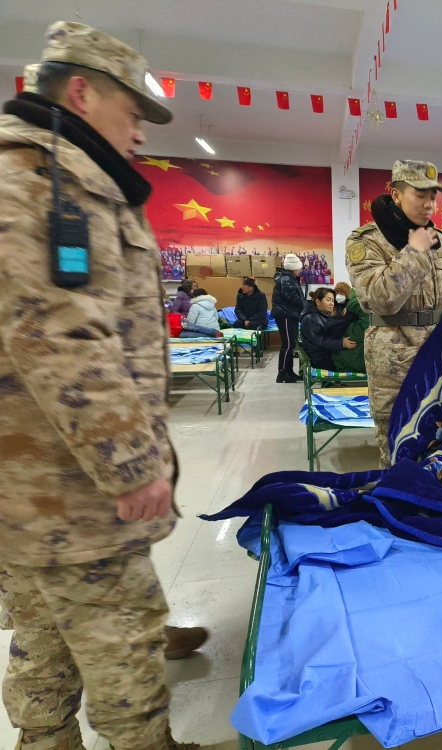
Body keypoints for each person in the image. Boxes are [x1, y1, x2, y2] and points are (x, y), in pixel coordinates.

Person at [0, 22, 204, 750]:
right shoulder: (44, 179)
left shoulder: (52, 172)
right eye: (132, 112)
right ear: (81, 92)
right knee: (124, 648)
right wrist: (133, 463)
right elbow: (57, 334)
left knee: (46, 633)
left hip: (37, 487)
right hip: (74, 490)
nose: (140, 133)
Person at [346, 160, 442, 467]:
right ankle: (395, 506)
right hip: (393, 361)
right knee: (396, 444)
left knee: (438, 438)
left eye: (434, 197)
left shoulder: (441, 242)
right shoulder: (366, 241)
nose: (429, 205)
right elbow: (380, 299)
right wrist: (413, 252)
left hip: (439, 354)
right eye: (420, 195)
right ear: (396, 194)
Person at [299, 285, 365, 373]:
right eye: (328, 300)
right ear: (318, 301)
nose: (331, 303)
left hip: (328, 353)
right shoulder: (310, 318)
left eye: (333, 300)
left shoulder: (325, 315)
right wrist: (342, 343)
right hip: (321, 359)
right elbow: (320, 341)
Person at [273, 254, 305, 383]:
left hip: (290, 314)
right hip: (285, 315)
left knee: (290, 344)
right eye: (298, 268)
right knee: (288, 345)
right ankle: (282, 373)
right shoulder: (286, 279)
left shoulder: (290, 278)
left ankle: (289, 372)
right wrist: (308, 305)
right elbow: (293, 298)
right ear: (293, 268)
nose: (300, 271)